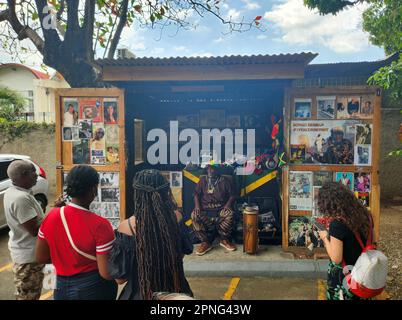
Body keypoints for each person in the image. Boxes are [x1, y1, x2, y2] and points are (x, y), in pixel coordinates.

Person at [108, 169, 193, 300]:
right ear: (165, 191)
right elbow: (182, 253)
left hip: (141, 294)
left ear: (137, 194)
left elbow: (120, 279)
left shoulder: (126, 228)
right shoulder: (177, 218)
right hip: (177, 291)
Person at [35, 165, 117, 300]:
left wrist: (65, 260)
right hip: (93, 288)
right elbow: (106, 273)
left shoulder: (52, 216)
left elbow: (40, 257)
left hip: (60, 287)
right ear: (93, 189)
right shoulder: (100, 225)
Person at [316, 182, 373, 300]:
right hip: (365, 272)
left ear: (328, 204)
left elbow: (336, 259)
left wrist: (325, 238)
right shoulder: (366, 215)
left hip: (346, 278)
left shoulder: (337, 224)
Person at [3, 160, 45, 300]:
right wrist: (56, 215)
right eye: (34, 171)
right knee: (28, 296)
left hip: (24, 253)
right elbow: (34, 230)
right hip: (28, 259)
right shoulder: (20, 198)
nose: (37, 175)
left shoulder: (13, 191)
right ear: (24, 174)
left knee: (27, 294)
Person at [191, 164, 237, 255]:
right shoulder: (203, 180)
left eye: (212, 169)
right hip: (205, 210)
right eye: (208, 169)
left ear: (217, 171)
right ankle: (205, 242)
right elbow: (195, 194)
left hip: (220, 210)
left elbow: (233, 195)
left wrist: (228, 205)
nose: (210, 171)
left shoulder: (225, 181)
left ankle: (224, 239)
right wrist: (197, 206)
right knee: (194, 215)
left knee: (230, 214)